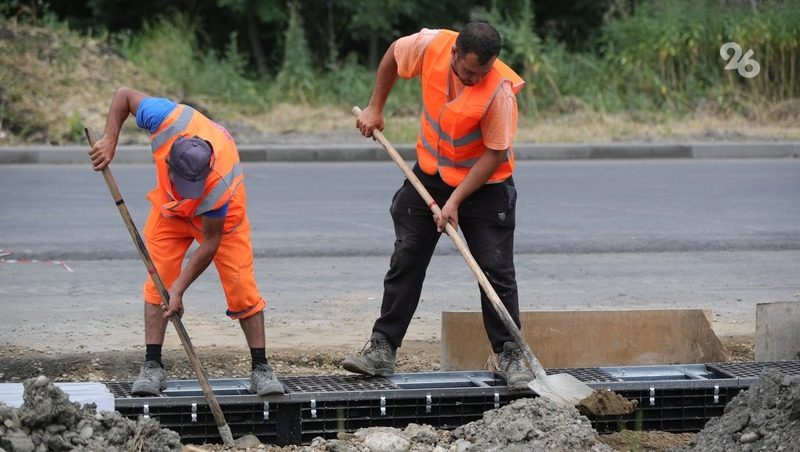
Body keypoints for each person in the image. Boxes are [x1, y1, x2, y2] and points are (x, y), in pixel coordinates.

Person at [344, 22, 534, 391]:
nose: (474, 79)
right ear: (455, 55)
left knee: (494, 270)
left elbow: (494, 154)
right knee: (408, 256)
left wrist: (455, 201)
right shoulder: (430, 46)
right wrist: (375, 107)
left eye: (482, 73)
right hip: (431, 172)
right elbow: (392, 56)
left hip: (486, 183)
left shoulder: (500, 92)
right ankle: (382, 348)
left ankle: (510, 353)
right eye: (468, 72)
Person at [89, 87, 284, 396]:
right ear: (170, 161)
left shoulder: (217, 184)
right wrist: (109, 141)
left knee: (241, 286)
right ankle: (152, 364)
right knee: (158, 281)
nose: (187, 189)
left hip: (222, 222)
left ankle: (261, 368)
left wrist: (179, 289)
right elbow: (123, 96)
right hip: (170, 212)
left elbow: (209, 244)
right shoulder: (164, 118)